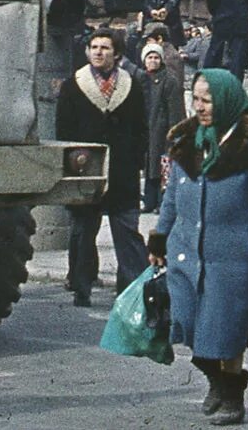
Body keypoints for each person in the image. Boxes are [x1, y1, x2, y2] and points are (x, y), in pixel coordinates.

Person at [148, 69, 248, 425]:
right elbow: (171, 196)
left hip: (232, 256)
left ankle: (231, 396)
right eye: (196, 99)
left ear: (227, 100)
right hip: (186, 251)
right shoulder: (185, 142)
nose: (199, 107)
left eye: (207, 100)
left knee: (224, 329)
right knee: (186, 324)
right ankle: (217, 380)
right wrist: (160, 235)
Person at [55, 31, 148, 307]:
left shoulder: (132, 84)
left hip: (123, 171)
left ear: (116, 54)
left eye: (105, 48)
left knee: (127, 231)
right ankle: (81, 286)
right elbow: (63, 128)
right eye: (94, 47)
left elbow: (140, 127)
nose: (98, 52)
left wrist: (136, 160)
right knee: (83, 232)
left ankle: (130, 289)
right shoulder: (74, 85)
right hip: (85, 170)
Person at [139, 39, 187, 214]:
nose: (153, 61)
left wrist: (174, 133)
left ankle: (162, 202)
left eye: (156, 57)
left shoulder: (169, 80)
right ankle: (149, 200)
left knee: (163, 167)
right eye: (149, 57)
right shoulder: (142, 78)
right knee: (149, 166)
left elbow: (175, 108)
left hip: (163, 130)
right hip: (147, 130)